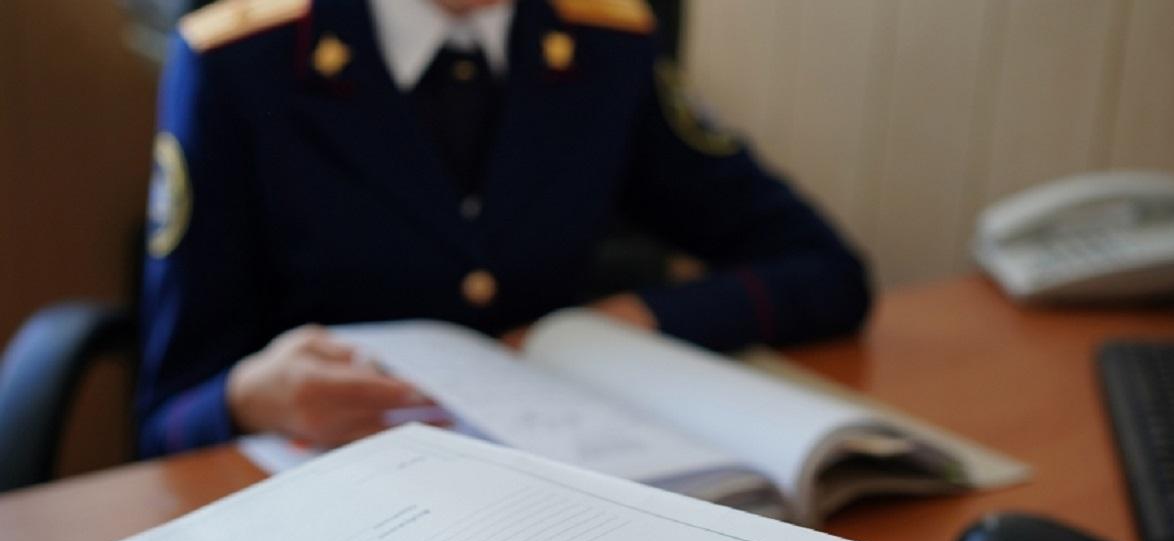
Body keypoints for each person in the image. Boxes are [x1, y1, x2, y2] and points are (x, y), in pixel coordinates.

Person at [138, 0, 871, 457]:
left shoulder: (605, 43)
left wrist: (634, 320)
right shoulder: (239, 59)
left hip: (562, 489)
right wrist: (250, 395)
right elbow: (165, 417)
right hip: (333, 500)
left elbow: (826, 269)